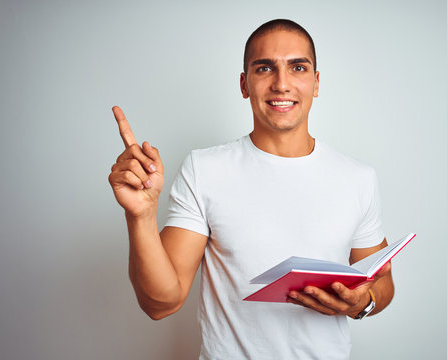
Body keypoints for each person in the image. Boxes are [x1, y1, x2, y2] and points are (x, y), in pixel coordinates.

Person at [109, 19, 395, 359]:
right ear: (245, 84)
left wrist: (362, 302)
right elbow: (160, 303)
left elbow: (382, 282)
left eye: (297, 67)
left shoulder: (357, 178)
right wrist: (140, 216)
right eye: (265, 68)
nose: (282, 83)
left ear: (316, 83)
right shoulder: (205, 170)